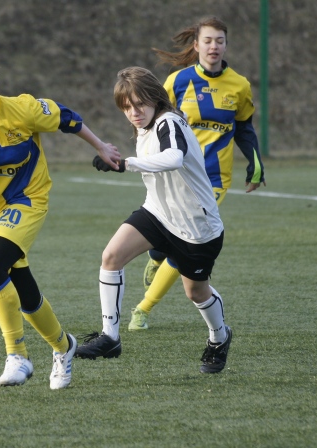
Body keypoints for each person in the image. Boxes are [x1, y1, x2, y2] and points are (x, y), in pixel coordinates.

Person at [0, 51, 121, 389]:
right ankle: (64, 347)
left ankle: (17, 355)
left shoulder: (23, 109)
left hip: (28, 198)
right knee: (22, 287)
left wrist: (100, 145)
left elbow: (68, 119)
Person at [74, 66, 232, 374]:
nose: (134, 112)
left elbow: (173, 158)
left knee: (196, 292)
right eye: (127, 107)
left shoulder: (168, 122)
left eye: (140, 104)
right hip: (158, 213)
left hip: (196, 228)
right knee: (111, 257)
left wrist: (125, 164)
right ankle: (110, 337)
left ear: (155, 99)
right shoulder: (144, 128)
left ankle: (219, 337)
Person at [130, 16, 266, 331]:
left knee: (188, 244)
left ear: (226, 45)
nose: (214, 46)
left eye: (220, 40)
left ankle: (143, 308)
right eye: (208, 40)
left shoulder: (239, 85)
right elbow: (152, 122)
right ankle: (157, 253)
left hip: (213, 181)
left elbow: (244, 127)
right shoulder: (177, 81)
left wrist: (255, 162)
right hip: (174, 177)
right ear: (196, 45)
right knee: (167, 237)